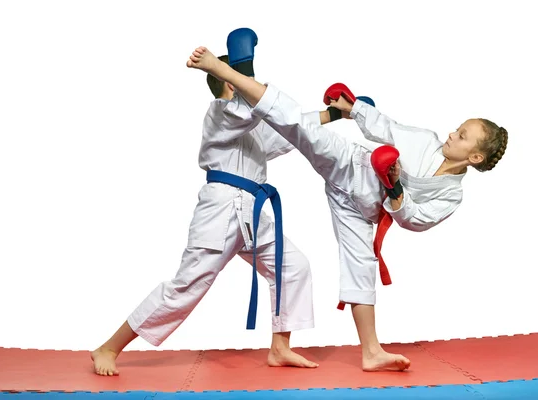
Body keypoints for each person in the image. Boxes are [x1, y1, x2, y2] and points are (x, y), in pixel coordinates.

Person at [186, 45, 508, 372]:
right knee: (298, 127)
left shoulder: (452, 195)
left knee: (362, 265)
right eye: (458, 128)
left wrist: (395, 187)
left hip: (361, 208)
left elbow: (415, 220)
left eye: (463, 135)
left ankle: (371, 352)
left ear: (475, 157)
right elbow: (388, 129)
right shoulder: (427, 141)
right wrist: (354, 109)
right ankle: (237, 74)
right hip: (350, 164)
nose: (452, 133)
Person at [90, 30, 322, 376]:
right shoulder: (219, 114)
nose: (247, 84)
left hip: (253, 215)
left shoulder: (253, 127)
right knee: (185, 288)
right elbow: (251, 105)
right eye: (241, 79)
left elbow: (292, 128)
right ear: (229, 85)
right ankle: (107, 348)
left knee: (294, 266)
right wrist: (240, 63)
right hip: (221, 212)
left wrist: (336, 115)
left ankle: (280, 347)